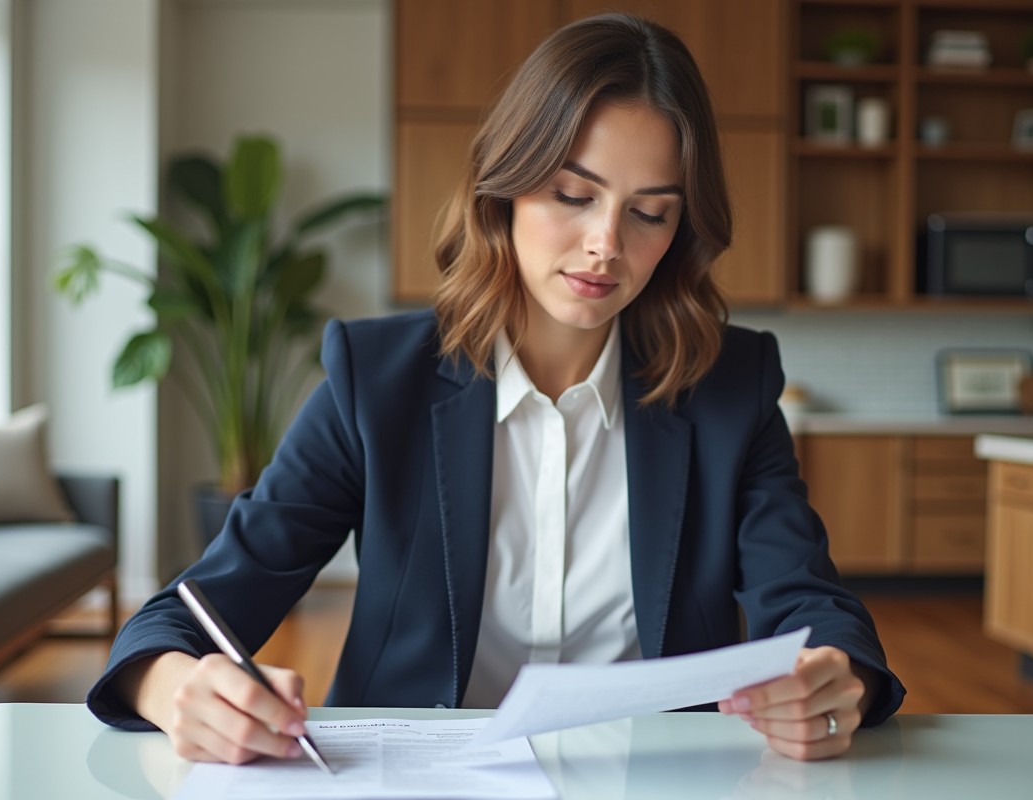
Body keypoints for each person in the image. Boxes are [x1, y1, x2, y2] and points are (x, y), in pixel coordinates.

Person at [87, 13, 905, 764]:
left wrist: (837, 682)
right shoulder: (377, 381)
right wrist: (174, 690)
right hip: (411, 777)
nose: (604, 245)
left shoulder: (729, 384)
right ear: (505, 187)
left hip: (655, 776)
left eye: (649, 214)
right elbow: (187, 615)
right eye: (572, 196)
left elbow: (812, 606)